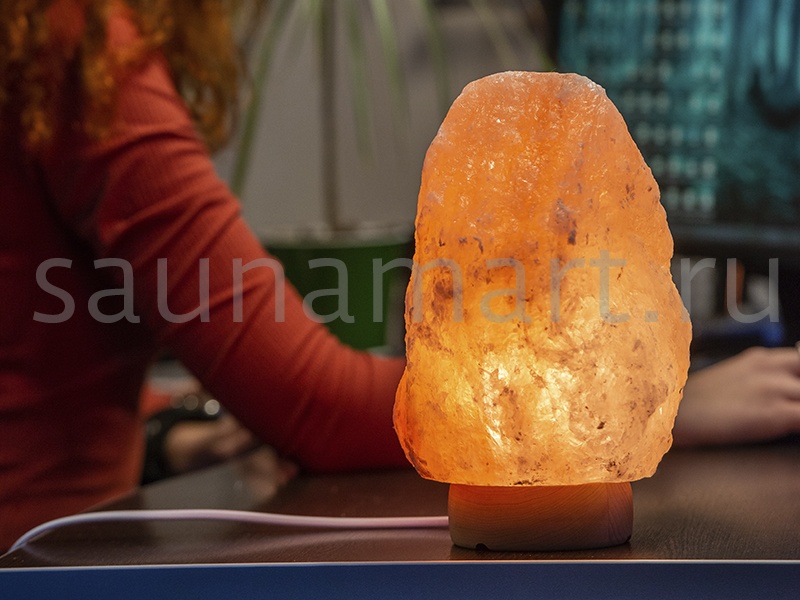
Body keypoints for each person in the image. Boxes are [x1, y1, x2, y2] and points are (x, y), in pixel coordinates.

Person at [0, 0, 407, 551]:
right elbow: (319, 406)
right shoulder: (76, 34)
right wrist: (522, 393)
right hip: (37, 564)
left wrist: (167, 434)